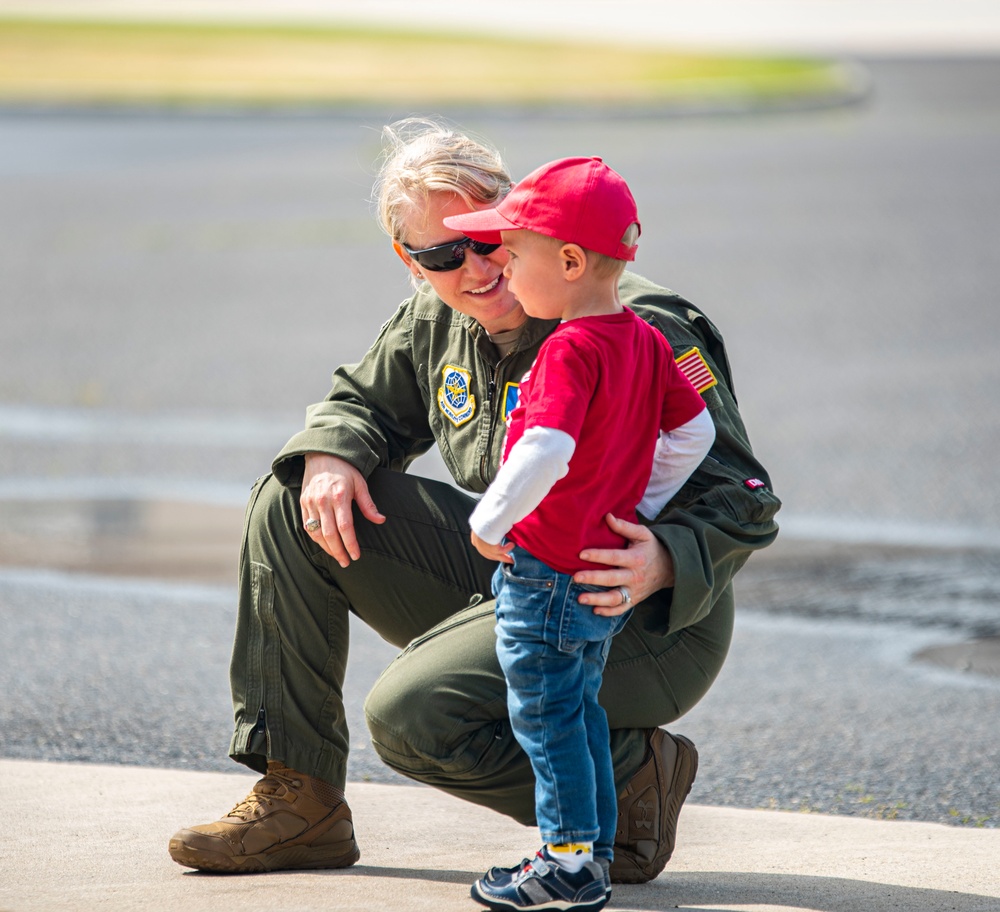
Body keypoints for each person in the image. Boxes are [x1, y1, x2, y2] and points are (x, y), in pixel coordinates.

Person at [167, 118, 781, 886]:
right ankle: (303, 802)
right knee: (293, 504)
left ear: (519, 219)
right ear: (410, 260)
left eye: (488, 240)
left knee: (413, 717)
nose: (475, 269)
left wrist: (665, 557)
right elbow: (359, 405)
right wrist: (330, 453)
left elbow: (744, 493)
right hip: (528, 567)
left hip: (642, 610)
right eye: (440, 254)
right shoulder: (437, 314)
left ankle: (626, 796)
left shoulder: (637, 325)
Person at [444, 156, 716, 911]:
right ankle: (587, 849)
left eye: (513, 250)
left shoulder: (569, 347)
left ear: (567, 262)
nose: (499, 263)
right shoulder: (643, 342)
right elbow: (693, 433)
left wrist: (489, 518)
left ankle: (565, 862)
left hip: (546, 571)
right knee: (580, 708)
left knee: (545, 713)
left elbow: (547, 448)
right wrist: (641, 509)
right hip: (595, 580)